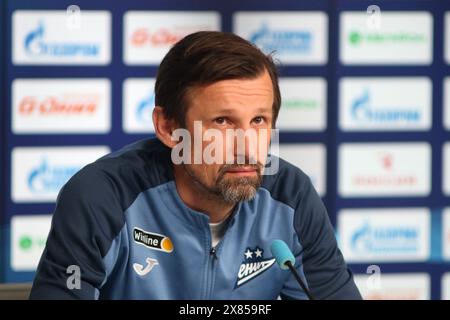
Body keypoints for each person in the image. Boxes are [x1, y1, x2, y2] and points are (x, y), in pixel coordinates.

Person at [29, 31, 362, 300]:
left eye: (259, 120)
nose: (247, 146)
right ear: (169, 128)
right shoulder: (103, 196)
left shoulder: (291, 196)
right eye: (221, 121)